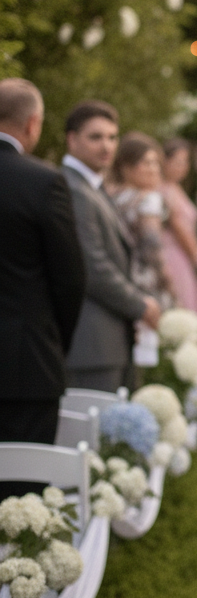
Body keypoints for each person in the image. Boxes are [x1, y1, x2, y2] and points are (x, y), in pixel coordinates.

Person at [0, 79, 86, 498]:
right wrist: (53, 342)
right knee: (21, 496)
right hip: (25, 366)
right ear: (32, 123)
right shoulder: (42, 182)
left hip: (26, 362)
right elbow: (70, 279)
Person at [62, 101, 160, 392]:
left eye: (111, 137)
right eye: (95, 137)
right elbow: (92, 265)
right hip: (90, 341)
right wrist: (140, 304)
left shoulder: (93, 186)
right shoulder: (73, 188)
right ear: (72, 139)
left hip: (108, 338)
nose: (106, 146)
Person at [110, 132, 174, 308]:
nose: (154, 169)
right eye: (146, 163)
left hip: (118, 281)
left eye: (156, 163)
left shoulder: (109, 196)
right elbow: (152, 246)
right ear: (126, 166)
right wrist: (169, 283)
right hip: (146, 283)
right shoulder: (149, 200)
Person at [159, 138, 197, 312]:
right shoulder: (165, 191)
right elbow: (180, 229)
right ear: (164, 162)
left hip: (183, 255)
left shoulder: (175, 188)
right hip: (176, 256)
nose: (183, 167)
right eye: (178, 162)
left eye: (186, 162)